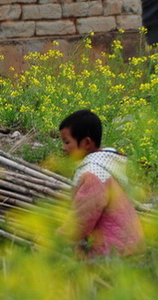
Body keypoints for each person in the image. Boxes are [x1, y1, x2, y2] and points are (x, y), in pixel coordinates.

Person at [59, 109, 144, 258]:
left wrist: (58, 238)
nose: (63, 148)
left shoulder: (94, 174)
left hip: (113, 253)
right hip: (127, 247)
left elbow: (83, 218)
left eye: (67, 142)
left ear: (86, 143)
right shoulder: (105, 167)